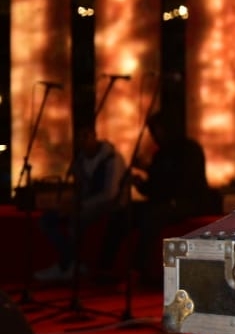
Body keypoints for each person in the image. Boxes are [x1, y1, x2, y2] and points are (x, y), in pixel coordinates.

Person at [100, 113, 217, 284]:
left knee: (152, 216)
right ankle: (105, 266)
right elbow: (154, 188)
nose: (155, 135)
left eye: (157, 130)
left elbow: (182, 184)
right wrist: (141, 184)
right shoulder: (160, 154)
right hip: (164, 201)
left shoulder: (190, 149)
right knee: (125, 213)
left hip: (189, 201)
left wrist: (152, 173)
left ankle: (139, 269)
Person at [34, 125, 127, 281]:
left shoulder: (112, 159)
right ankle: (70, 262)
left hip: (111, 206)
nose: (82, 141)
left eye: (85, 136)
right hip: (86, 203)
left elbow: (110, 194)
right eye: (79, 138)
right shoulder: (80, 159)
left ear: (94, 136)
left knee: (75, 220)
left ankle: (68, 264)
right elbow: (80, 188)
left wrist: (80, 205)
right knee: (46, 220)